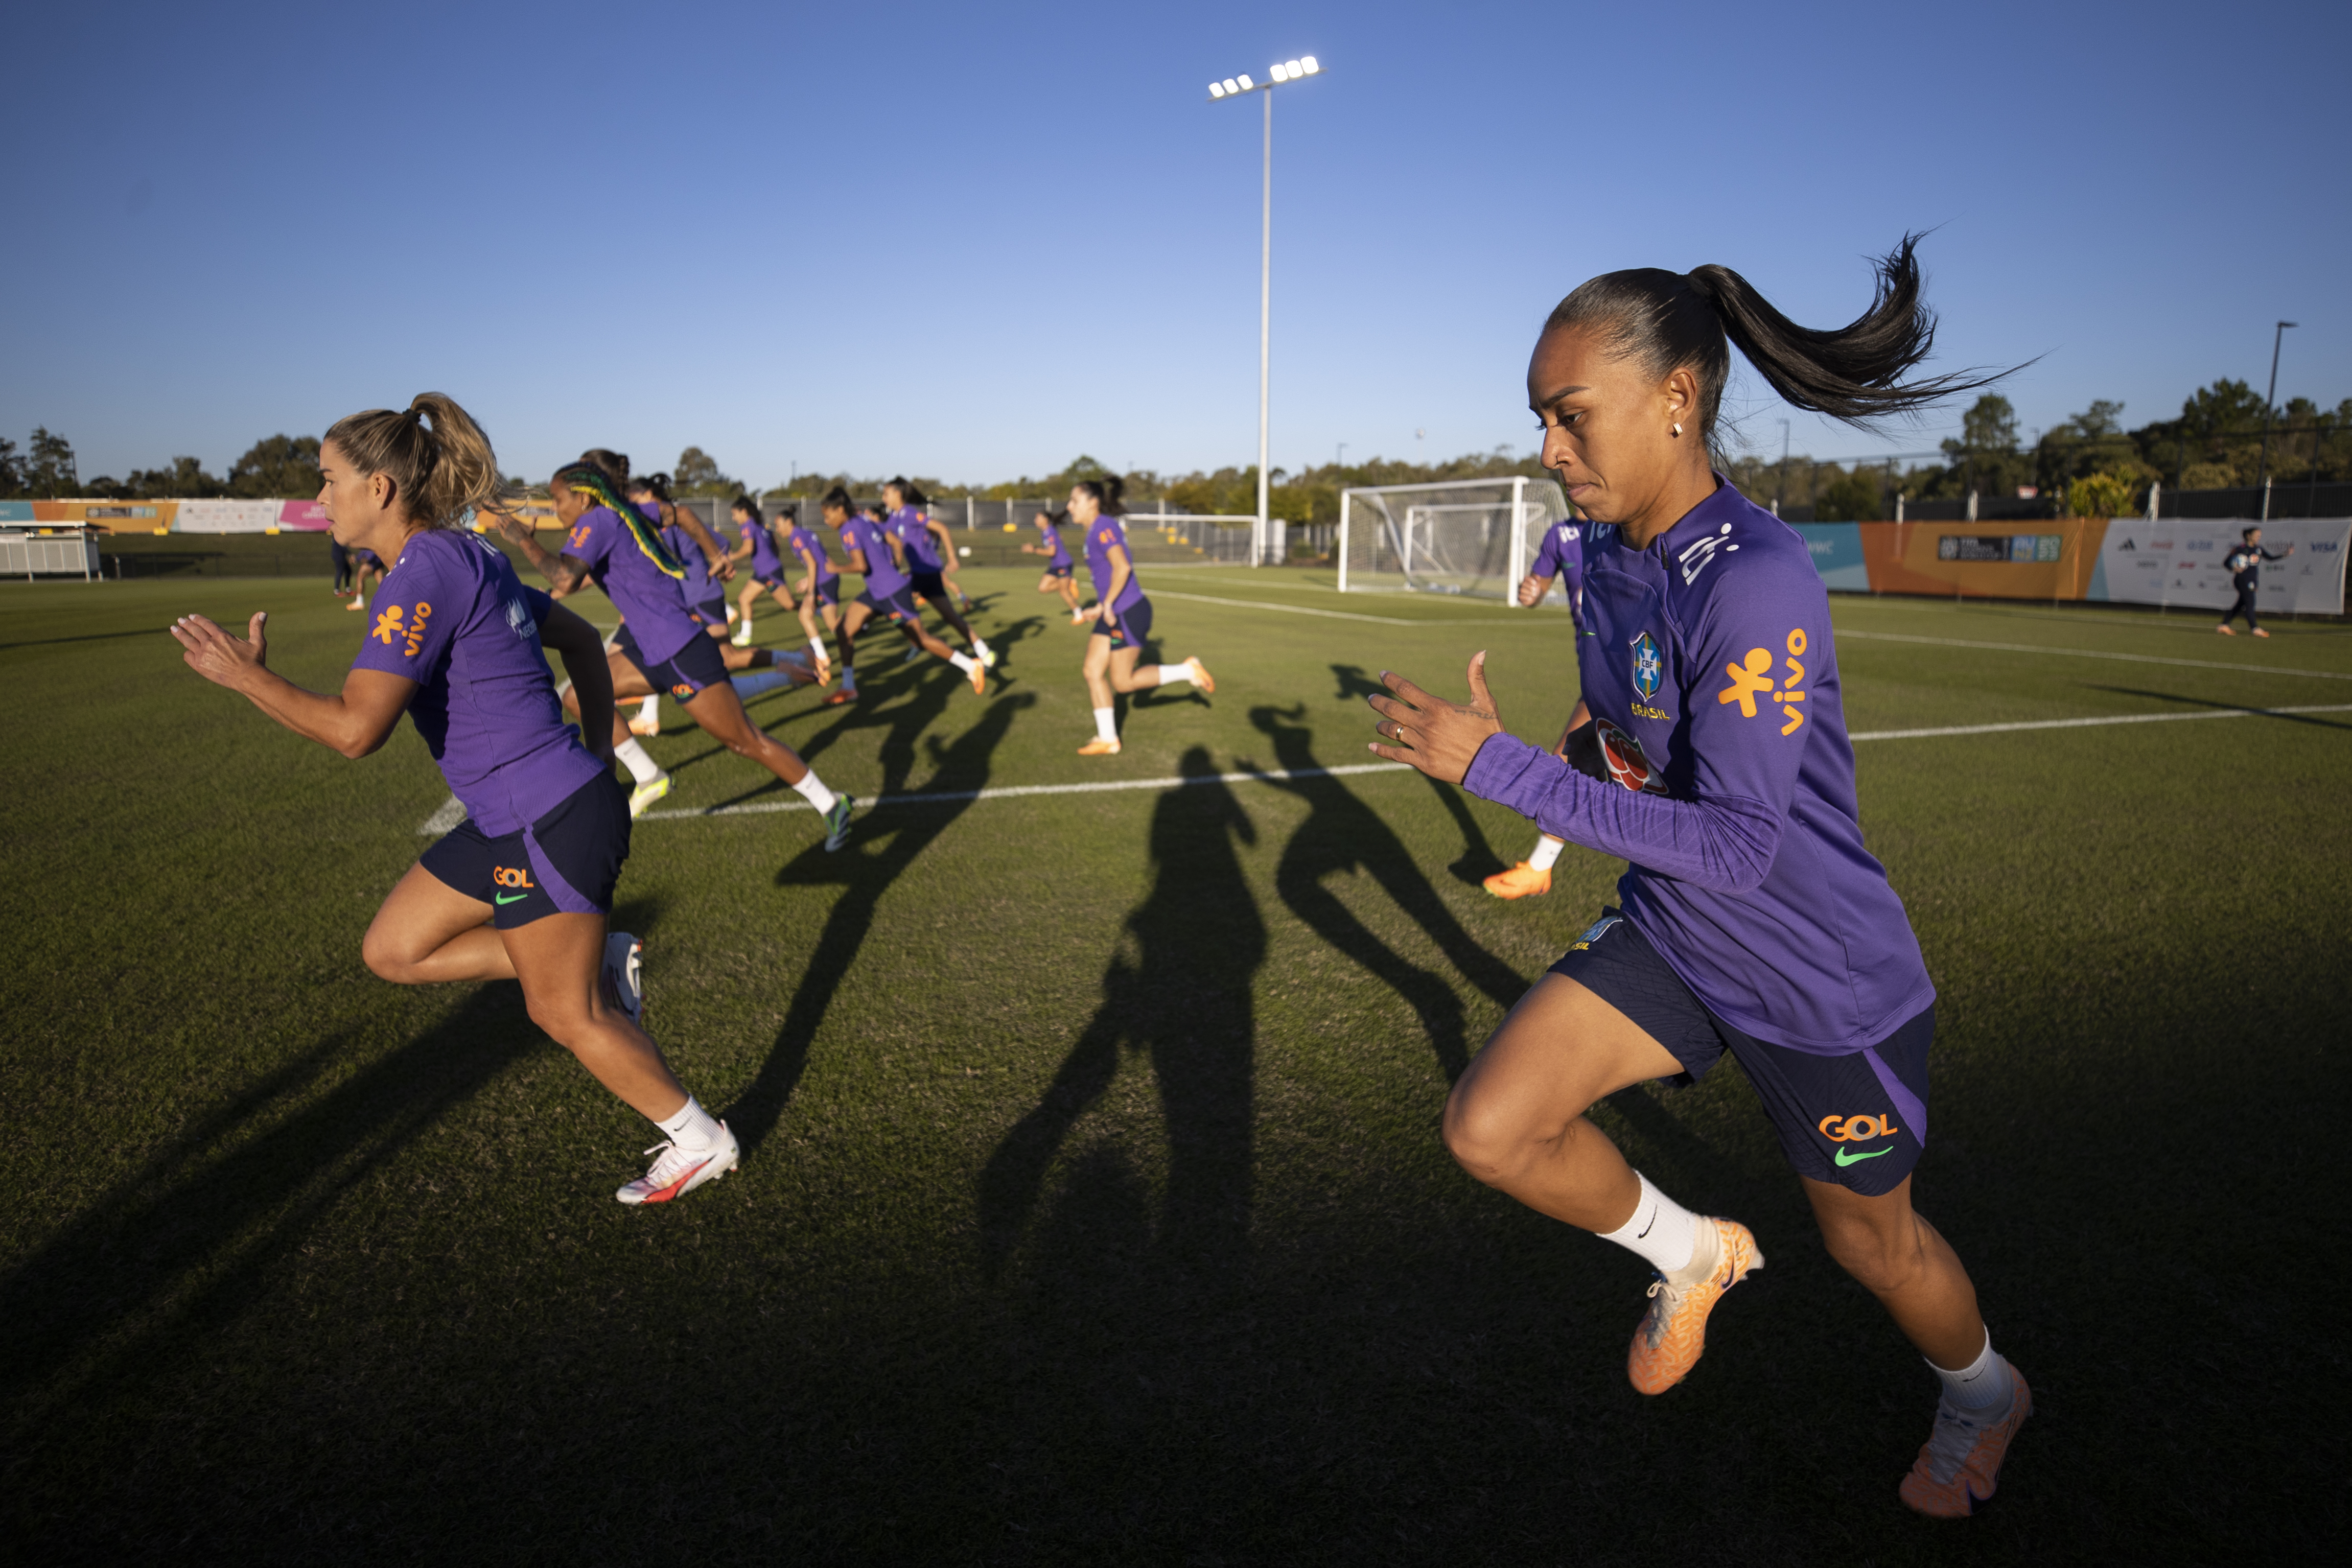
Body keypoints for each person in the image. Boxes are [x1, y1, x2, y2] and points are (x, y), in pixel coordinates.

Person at [1363, 239, 2029, 1519]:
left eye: (1571, 416)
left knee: (1870, 1244)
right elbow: (1627, 736)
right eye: (1540, 419)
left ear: (1677, 398)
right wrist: (1550, 750)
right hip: (1675, 935)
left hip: (1817, 979)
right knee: (1490, 1127)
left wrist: (1503, 774)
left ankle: (1985, 1392)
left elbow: (1737, 841)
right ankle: (1691, 1252)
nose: (1551, 447)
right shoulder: (1602, 552)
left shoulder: (1762, 576)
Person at [170, 392, 741, 1206]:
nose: (318, 497)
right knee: (393, 950)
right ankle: (598, 957)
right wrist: (594, 754)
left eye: (328, 480)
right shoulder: (458, 555)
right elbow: (578, 638)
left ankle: (699, 1137)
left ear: (379, 489)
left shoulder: (427, 569)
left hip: (545, 818)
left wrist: (247, 677)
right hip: (523, 813)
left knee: (563, 1013)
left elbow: (355, 731)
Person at [497, 461, 855, 847]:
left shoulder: (596, 521)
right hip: (653, 651)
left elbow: (565, 576)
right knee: (578, 696)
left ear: (583, 497)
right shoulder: (622, 513)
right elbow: (679, 512)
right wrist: (713, 551)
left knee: (746, 741)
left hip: (681, 651)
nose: (555, 507)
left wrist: (521, 538)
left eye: (557, 499)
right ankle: (649, 777)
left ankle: (830, 802)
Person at [1484, 513, 1593, 900]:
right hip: (1597, 674)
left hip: (1635, 672)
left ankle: (1539, 868)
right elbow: (1538, 587)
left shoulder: (1626, 523)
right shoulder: (1560, 535)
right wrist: (1530, 592)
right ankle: (1539, 868)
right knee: (1569, 762)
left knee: (1566, 763)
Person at [1073, 475, 1214, 757]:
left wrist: (1109, 604)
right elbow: (1109, 577)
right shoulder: (1093, 532)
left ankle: (1189, 670)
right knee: (1092, 671)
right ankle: (1108, 739)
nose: (1069, 506)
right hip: (1113, 611)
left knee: (1123, 683)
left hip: (1128, 611)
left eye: (1075, 501)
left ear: (1093, 503)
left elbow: (1123, 567)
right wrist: (1101, 607)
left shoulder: (1104, 528)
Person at [823, 485, 990, 706]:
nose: (826, 521)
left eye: (827, 515)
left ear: (840, 511)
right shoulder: (865, 521)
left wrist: (836, 569)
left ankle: (971, 666)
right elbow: (895, 541)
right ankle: (848, 687)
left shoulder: (848, 529)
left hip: (891, 593)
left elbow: (861, 565)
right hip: (877, 591)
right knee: (843, 632)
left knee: (921, 639)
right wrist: (893, 565)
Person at [885, 478, 994, 668]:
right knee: (949, 617)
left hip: (926, 573)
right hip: (921, 574)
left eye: (886, 494)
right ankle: (984, 652)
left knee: (889, 605)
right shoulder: (893, 519)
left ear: (898, 494)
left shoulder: (909, 514)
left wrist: (952, 558)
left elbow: (942, 528)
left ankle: (919, 642)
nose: (883, 498)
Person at [729, 496, 799, 648]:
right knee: (744, 599)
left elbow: (748, 548)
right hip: (764, 572)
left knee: (790, 605)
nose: (734, 518)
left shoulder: (747, 526)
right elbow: (776, 545)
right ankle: (745, 636)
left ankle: (820, 609)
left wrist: (732, 557)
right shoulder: (760, 526)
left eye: (735, 514)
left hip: (768, 573)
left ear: (744, 512)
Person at [781, 502, 839, 684]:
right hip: (826, 578)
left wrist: (811, 592)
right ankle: (822, 657)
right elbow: (821, 559)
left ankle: (857, 628)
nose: (777, 529)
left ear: (788, 523)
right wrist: (808, 580)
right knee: (805, 615)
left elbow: (813, 563)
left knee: (833, 626)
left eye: (778, 525)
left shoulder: (795, 537)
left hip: (824, 581)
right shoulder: (804, 532)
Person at [2217, 525, 2292, 637]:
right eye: (2256, 535)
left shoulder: (2258, 549)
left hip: (2252, 580)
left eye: (2259, 536)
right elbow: (2226, 563)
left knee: (2240, 604)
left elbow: (2270, 558)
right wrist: (2233, 568)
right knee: (2250, 603)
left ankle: (2224, 625)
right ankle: (2255, 628)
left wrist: (2285, 554)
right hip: (2242, 580)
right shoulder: (2240, 549)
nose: (2258, 538)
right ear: (2248, 536)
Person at [1023, 507, 1087, 622]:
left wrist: (1034, 550)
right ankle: (1070, 583)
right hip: (1056, 565)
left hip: (1063, 564)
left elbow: (1052, 552)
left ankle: (1079, 615)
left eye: (1037, 518)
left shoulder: (1050, 531)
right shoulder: (1045, 532)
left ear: (1045, 520)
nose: (1035, 521)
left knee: (1064, 592)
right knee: (1043, 588)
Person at [346, 545, 384, 611]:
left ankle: (359, 603)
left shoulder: (371, 537)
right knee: (382, 583)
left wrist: (368, 558)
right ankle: (390, 600)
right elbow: (365, 550)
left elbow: (373, 548)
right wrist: (357, 559)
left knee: (360, 577)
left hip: (373, 561)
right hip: (377, 560)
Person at [330, 533, 354, 597]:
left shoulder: (338, 534)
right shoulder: (338, 534)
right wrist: (350, 554)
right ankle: (337, 591)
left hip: (340, 555)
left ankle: (348, 589)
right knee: (340, 572)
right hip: (338, 556)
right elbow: (342, 547)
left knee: (349, 571)